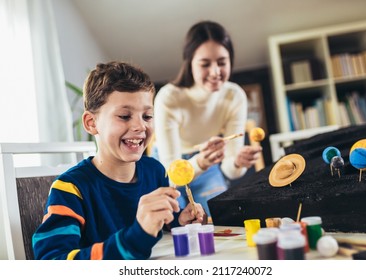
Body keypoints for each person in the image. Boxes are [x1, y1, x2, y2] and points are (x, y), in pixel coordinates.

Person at [32, 61, 204, 260]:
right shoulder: (70, 189)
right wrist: (136, 236)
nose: (140, 126)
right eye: (124, 116)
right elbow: (51, 262)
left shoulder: (155, 171)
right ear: (91, 123)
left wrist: (180, 219)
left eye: (147, 116)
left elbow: (164, 222)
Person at [153, 21, 262, 217]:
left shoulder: (234, 96)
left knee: (223, 217)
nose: (215, 72)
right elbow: (172, 177)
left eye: (222, 62)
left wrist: (237, 162)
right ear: (189, 63)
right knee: (174, 220)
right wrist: (200, 162)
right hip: (170, 167)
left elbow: (230, 171)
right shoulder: (168, 98)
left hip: (207, 164)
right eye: (205, 64)